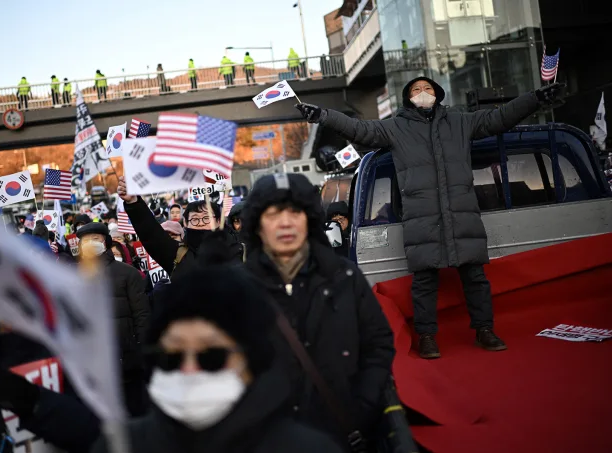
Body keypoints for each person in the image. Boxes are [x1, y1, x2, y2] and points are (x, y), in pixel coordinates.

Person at [295, 77, 567, 359]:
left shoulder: (460, 121)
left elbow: (499, 118)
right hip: (421, 219)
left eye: (427, 88)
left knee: (475, 278)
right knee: (424, 281)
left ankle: (485, 330)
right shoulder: (395, 128)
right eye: (415, 90)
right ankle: (427, 336)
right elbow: (358, 129)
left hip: (462, 215)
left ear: (437, 94)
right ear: (407, 98)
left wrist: (535, 98)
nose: (422, 93)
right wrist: (324, 116)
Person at [91, 255, 345, 453]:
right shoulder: (119, 447)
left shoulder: (308, 448)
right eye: (172, 356)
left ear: (251, 358)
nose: (189, 369)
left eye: (211, 357)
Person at [241, 173, 395, 450]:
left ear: (309, 219)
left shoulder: (345, 277)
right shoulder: (235, 289)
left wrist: (362, 407)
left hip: (343, 432)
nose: (286, 222)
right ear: (257, 225)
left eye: (294, 211)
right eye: (274, 213)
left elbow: (378, 345)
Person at [76, 222, 151, 415]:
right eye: (85, 240)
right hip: (93, 363)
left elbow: (142, 315)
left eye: (96, 239)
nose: (90, 244)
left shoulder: (128, 274)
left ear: (106, 243)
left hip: (127, 360)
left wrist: (142, 350)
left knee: (134, 412)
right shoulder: (73, 277)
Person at [118, 176, 242, 279]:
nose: (200, 223)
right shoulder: (178, 254)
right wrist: (134, 203)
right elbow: (151, 234)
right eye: (194, 219)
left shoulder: (240, 250)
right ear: (186, 224)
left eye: (206, 218)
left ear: (219, 221)